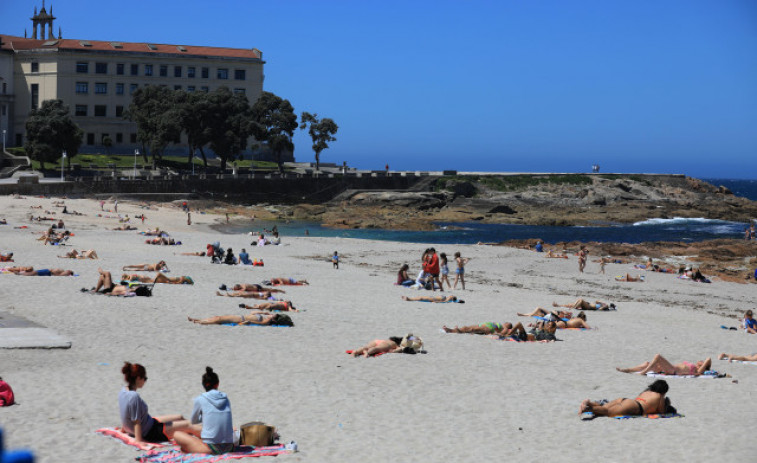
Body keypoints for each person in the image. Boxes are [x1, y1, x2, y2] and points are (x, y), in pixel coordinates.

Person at [119, 362, 199, 445]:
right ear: (138, 378)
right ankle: (209, 439)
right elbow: (136, 422)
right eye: (145, 378)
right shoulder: (134, 396)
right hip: (151, 432)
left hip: (149, 422)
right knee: (189, 425)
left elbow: (124, 412)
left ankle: (192, 434)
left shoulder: (123, 391)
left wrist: (124, 429)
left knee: (180, 417)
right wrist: (138, 441)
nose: (145, 381)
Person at [172, 367, 234, 454]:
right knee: (203, 430)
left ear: (203, 384)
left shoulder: (200, 399)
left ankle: (189, 448)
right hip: (230, 446)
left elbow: (194, 421)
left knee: (177, 434)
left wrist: (203, 415)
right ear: (217, 384)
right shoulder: (225, 398)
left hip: (212, 448)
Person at [579, 380, 671, 419]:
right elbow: (662, 413)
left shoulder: (647, 392)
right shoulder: (660, 396)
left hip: (626, 400)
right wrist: (667, 403)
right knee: (607, 411)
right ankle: (587, 408)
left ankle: (589, 403)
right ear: (663, 391)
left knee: (604, 407)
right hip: (635, 406)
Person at [616, 354, 712, 376]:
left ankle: (643, 372)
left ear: (703, 365)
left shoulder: (698, 370)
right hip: (669, 368)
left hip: (673, 371)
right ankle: (628, 370)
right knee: (647, 363)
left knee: (658, 356)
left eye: (701, 361)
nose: (700, 360)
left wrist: (705, 366)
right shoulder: (694, 366)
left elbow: (709, 359)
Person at [188, 311, 287, 325]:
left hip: (241, 319)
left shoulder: (268, 320)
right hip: (240, 316)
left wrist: (248, 322)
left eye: (273, 315)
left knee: (220, 319)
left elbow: (261, 324)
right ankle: (198, 320)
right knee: (217, 317)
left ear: (274, 319)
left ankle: (201, 322)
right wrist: (263, 312)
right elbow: (253, 312)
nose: (271, 314)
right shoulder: (266, 316)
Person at [443, 322, 512, 335]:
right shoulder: (502, 325)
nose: (505, 322)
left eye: (507, 323)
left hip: (488, 328)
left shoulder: (505, 327)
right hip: (484, 325)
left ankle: (458, 331)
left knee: (472, 330)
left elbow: (503, 333)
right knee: (465, 327)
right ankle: (450, 330)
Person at [122, 273, 193, 285]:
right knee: (169, 280)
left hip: (154, 280)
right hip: (154, 280)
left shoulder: (131, 276)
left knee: (169, 280)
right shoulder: (179, 279)